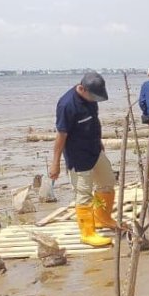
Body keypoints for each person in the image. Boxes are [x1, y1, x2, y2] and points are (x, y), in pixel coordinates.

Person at [49, 73, 116, 247]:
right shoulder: (67, 105)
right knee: (84, 194)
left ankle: (102, 217)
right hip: (78, 156)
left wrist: (99, 141)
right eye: (93, 96)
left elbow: (93, 122)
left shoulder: (91, 99)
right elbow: (61, 136)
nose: (95, 100)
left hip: (94, 149)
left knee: (108, 182)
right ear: (82, 89)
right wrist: (55, 163)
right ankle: (87, 233)